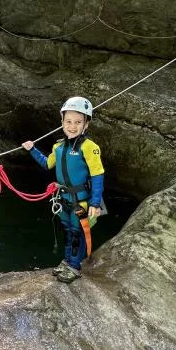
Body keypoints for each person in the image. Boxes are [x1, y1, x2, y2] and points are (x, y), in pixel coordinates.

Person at [22, 96, 104, 283]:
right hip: (64, 198)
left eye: (78, 122)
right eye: (68, 121)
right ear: (62, 122)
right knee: (67, 230)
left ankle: (74, 266)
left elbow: (98, 174)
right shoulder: (58, 146)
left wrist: (95, 202)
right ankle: (68, 261)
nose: (72, 126)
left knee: (77, 232)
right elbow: (47, 164)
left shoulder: (89, 147)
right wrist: (32, 149)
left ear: (86, 124)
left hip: (81, 198)